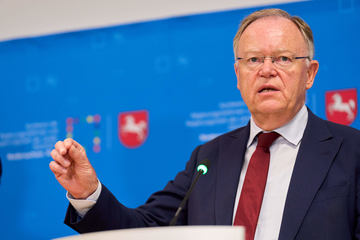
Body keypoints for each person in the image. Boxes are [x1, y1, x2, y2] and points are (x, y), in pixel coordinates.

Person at [50, 8, 360, 240]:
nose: (266, 70)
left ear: (310, 73)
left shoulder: (353, 151)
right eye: (253, 60)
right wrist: (88, 193)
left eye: (282, 58)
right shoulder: (209, 158)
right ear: (238, 75)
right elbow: (145, 232)